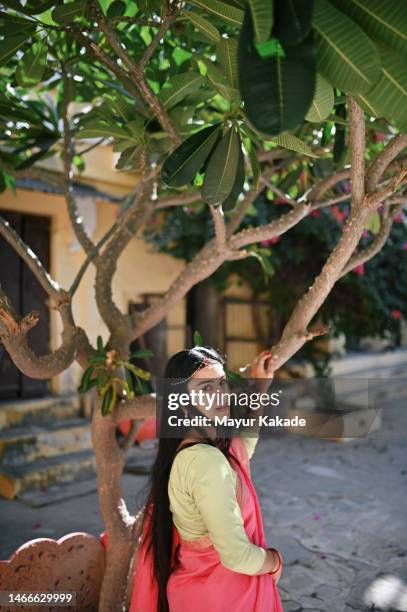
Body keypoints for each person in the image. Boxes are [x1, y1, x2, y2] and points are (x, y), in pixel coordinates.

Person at [129, 346, 284, 612]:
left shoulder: (208, 451)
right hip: (224, 597)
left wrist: (260, 388)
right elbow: (237, 556)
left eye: (222, 384)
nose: (221, 395)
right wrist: (275, 562)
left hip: (205, 593)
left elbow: (244, 445)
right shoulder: (206, 462)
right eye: (206, 389)